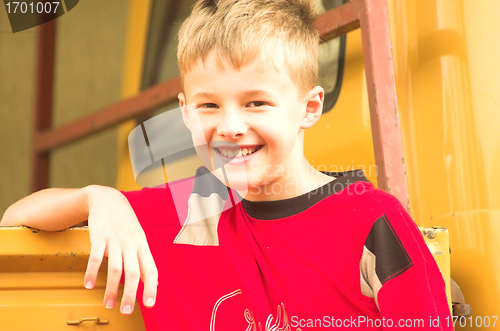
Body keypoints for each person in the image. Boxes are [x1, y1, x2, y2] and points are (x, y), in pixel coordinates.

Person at [1, 0, 452, 329]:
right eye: (209, 106)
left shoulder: (370, 221)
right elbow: (16, 218)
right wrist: (96, 198)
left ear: (309, 107)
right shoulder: (193, 209)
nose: (230, 127)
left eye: (256, 102)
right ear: (184, 112)